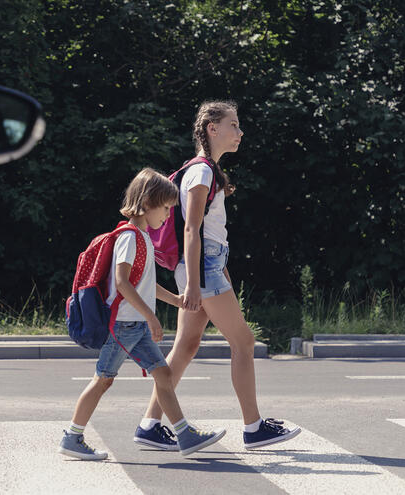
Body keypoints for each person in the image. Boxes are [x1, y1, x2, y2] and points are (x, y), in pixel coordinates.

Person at [135, 101, 300, 451]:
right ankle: (254, 427)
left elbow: (207, 232)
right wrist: (196, 283)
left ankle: (149, 424)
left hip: (207, 265)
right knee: (243, 342)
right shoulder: (202, 172)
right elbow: (192, 230)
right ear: (212, 128)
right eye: (233, 125)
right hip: (201, 268)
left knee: (187, 345)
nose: (239, 132)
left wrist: (214, 270)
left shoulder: (206, 172)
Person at [59, 168, 226, 460]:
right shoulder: (129, 237)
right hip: (123, 326)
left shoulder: (143, 238)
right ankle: (73, 437)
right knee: (103, 380)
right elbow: (123, 283)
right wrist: (151, 316)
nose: (166, 216)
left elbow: (144, 284)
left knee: (163, 373)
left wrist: (175, 299)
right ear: (147, 203)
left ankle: (184, 435)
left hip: (133, 325)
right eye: (165, 208)